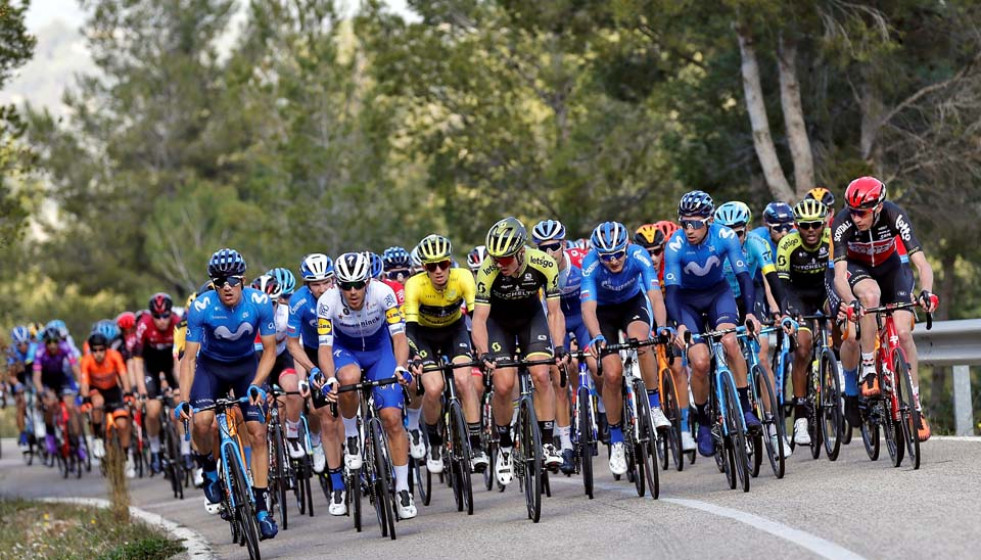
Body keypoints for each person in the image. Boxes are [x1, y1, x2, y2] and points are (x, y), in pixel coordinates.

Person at [175, 248, 279, 540]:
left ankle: (261, 507)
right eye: (220, 282)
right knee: (202, 421)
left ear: (243, 280)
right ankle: (208, 467)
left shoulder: (259, 302)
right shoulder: (201, 307)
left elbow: (270, 351)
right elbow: (190, 359)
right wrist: (184, 399)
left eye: (232, 281)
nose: (227, 287)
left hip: (247, 368)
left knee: (258, 432)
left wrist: (259, 382)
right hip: (211, 370)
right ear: (213, 285)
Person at [831, 177, 937, 442]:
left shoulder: (894, 214)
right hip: (859, 271)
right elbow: (839, 276)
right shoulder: (842, 222)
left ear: (877, 207)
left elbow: (923, 264)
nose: (856, 218)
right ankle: (868, 368)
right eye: (852, 211)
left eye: (862, 212)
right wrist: (849, 300)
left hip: (891, 270)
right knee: (870, 296)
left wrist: (927, 292)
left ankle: (915, 407)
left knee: (903, 333)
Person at [314, 252, 418, 519]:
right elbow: (325, 348)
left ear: (368, 282)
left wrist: (400, 366)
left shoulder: (384, 294)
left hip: (380, 349)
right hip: (345, 350)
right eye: (345, 286)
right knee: (347, 379)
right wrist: (330, 378)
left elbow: (399, 337)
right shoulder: (327, 302)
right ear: (337, 284)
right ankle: (350, 435)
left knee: (392, 418)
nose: (352, 291)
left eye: (358, 284)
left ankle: (403, 487)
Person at [663, 191, 762, 458]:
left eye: (695, 223)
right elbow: (670, 292)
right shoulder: (674, 245)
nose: (689, 229)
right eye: (684, 223)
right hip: (687, 303)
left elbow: (743, 277)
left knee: (730, 341)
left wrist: (750, 313)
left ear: (709, 221)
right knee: (701, 362)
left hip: (719, 295)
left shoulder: (725, 236)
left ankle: (745, 407)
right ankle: (704, 421)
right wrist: (678, 326)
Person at [471, 217, 568, 485]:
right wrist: (483, 352)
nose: (500, 264)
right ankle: (504, 447)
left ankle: (548, 442)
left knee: (541, 373)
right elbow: (479, 319)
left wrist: (558, 347)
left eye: (506, 259)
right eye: (496, 259)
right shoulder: (487, 270)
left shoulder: (544, 263)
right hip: (499, 324)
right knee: (503, 384)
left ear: (521, 251)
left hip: (531, 319)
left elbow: (554, 312)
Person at [581, 221, 670, 475]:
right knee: (611, 374)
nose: (613, 261)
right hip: (604, 314)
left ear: (627, 247)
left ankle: (654, 407)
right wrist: (596, 335)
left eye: (618, 253)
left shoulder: (639, 255)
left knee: (643, 343)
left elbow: (654, 295)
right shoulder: (590, 265)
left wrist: (662, 326)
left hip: (633, 304)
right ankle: (617, 440)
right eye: (606, 256)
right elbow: (588, 309)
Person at [403, 234, 486, 473]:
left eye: (444, 264)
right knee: (434, 387)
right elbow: (409, 329)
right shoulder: (415, 285)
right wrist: (415, 356)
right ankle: (435, 443)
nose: (439, 270)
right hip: (424, 337)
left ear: (450, 262)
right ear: (424, 268)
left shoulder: (464, 277)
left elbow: (476, 317)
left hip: (454, 332)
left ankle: (477, 446)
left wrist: (483, 349)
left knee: (464, 379)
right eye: (431, 266)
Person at [532, 219, 593, 473]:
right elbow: (544, 311)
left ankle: (599, 409)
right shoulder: (534, 270)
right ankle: (566, 443)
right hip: (555, 321)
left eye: (554, 247)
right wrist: (558, 346)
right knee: (558, 375)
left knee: (595, 362)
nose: (549, 253)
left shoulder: (580, 260)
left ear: (564, 245)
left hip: (581, 316)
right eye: (542, 248)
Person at [776, 198, 833, 449]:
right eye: (805, 225)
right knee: (803, 348)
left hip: (824, 292)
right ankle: (800, 416)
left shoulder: (832, 239)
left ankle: (840, 366)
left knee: (842, 316)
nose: (811, 230)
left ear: (824, 224)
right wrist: (789, 313)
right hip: (799, 298)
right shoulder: (787, 244)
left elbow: (841, 273)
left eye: (816, 225)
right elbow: (783, 285)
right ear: (796, 226)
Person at [286, 254, 336, 508]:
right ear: (306, 285)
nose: (321, 288)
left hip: (343, 347)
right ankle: (323, 449)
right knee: (322, 411)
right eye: (314, 284)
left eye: (326, 282)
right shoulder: (298, 302)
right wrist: (311, 371)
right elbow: (293, 345)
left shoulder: (342, 293)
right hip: (316, 353)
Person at [133, 292, 180, 474]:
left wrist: (181, 386)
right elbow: (137, 361)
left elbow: (180, 359)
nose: (162, 320)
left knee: (179, 405)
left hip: (171, 365)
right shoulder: (143, 325)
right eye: (157, 316)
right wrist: (142, 390)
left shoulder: (177, 323)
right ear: (151, 315)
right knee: (152, 410)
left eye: (165, 315)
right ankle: (155, 451)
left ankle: (185, 452)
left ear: (171, 313)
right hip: (150, 368)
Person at [80, 332, 135, 478]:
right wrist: (86, 400)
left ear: (106, 349)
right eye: (95, 350)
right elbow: (84, 383)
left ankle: (127, 457)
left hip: (113, 390)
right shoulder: (86, 361)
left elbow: (123, 375)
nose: (98, 354)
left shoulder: (114, 356)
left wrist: (128, 392)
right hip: (96, 390)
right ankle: (98, 439)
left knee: (123, 424)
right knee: (97, 403)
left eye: (101, 350)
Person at [6, 326, 36, 451]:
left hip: (33, 374)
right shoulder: (11, 352)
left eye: (26, 343)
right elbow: (10, 375)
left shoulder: (35, 348)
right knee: (21, 403)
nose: (23, 346)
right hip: (18, 377)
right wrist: (17, 384)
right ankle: (23, 433)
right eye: (19, 344)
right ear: (15, 344)